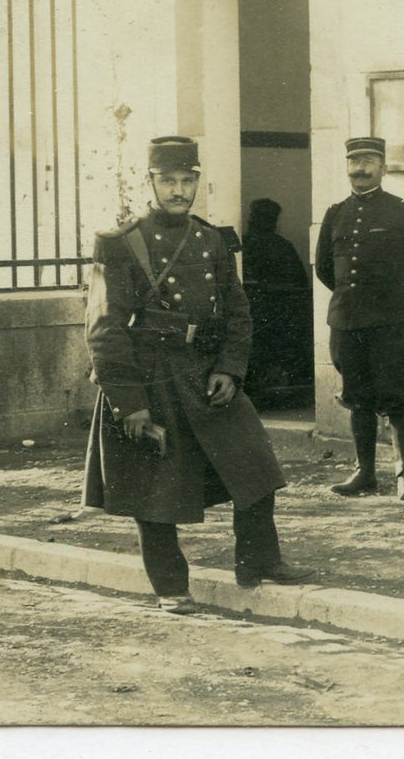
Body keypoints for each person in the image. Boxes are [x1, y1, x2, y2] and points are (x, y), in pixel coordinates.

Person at [82, 136, 313, 614]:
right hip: (151, 375)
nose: (179, 190)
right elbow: (105, 329)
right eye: (168, 181)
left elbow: (238, 312)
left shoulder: (210, 239)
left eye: (188, 180)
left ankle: (259, 562)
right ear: (151, 182)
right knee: (155, 490)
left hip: (206, 370)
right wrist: (131, 403)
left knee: (256, 466)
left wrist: (231, 368)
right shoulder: (121, 244)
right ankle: (171, 588)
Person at [315, 137, 404, 501]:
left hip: (391, 321)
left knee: (399, 398)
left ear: (383, 167)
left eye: (368, 161)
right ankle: (364, 474)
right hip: (347, 322)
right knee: (357, 398)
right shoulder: (335, 213)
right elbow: (325, 267)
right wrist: (350, 299)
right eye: (354, 161)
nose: (360, 169)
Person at [242, 198, 311, 401]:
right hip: (269, 312)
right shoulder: (279, 246)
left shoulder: (278, 247)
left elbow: (298, 283)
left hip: (273, 312)